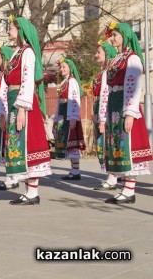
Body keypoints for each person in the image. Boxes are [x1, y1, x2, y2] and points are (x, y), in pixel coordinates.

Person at [0, 16, 51, 205]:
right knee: (18, 146)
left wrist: (22, 109)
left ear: (20, 30)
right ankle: (28, 191)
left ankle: (33, 193)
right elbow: (5, 83)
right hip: (12, 102)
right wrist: (2, 112)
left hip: (23, 104)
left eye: (10, 27)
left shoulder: (27, 52)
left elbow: (27, 81)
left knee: (28, 146)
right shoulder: (16, 52)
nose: (8, 30)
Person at [100, 22, 152, 204]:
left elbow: (134, 86)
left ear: (125, 36)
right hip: (115, 106)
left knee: (127, 147)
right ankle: (125, 188)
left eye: (115, 35)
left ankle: (129, 191)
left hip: (125, 106)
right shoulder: (116, 59)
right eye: (111, 35)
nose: (112, 38)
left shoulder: (132, 58)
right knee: (118, 147)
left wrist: (130, 112)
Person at [0, 45, 19, 191]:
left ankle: (11, 179)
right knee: (4, 145)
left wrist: (3, 115)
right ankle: (11, 177)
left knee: (9, 144)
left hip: (4, 112)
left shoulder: (6, 75)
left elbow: (4, 97)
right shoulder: (0, 74)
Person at [53, 57, 86, 180]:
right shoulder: (64, 82)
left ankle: (76, 171)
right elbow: (59, 101)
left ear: (70, 68)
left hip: (69, 114)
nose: (61, 69)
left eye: (64, 67)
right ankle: (73, 171)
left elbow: (75, 99)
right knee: (67, 143)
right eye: (61, 67)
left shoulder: (72, 81)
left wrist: (73, 117)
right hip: (63, 113)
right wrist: (56, 118)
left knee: (72, 143)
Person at [92, 40, 118, 191]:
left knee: (107, 143)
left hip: (107, 111)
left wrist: (103, 117)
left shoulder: (108, 72)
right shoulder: (102, 72)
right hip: (100, 109)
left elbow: (105, 94)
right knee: (102, 144)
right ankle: (111, 176)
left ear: (107, 54)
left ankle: (112, 177)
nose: (96, 55)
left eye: (99, 52)